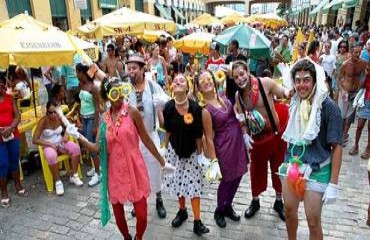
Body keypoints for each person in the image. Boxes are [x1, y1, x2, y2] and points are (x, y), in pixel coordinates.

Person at [78, 77, 166, 240]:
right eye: (115, 93)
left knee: (142, 214)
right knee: (118, 216)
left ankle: (139, 237)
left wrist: (161, 160)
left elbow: (146, 139)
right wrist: (79, 137)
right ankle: (127, 237)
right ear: (107, 96)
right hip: (115, 172)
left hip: (135, 167)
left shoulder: (132, 112)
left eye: (122, 92)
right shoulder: (104, 118)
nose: (120, 96)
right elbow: (97, 147)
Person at [280, 58, 342, 240]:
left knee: (313, 222)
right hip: (292, 166)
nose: (301, 85)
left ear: (315, 81)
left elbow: (337, 147)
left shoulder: (329, 107)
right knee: (289, 211)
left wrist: (334, 184)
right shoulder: (294, 102)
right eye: (297, 80)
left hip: (318, 169)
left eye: (306, 79)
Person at [232, 60, 290, 221]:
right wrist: (244, 134)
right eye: (236, 77)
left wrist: (290, 89)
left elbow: (283, 94)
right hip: (257, 139)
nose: (240, 79)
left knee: (279, 169)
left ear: (248, 71)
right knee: (256, 171)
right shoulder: (239, 95)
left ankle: (279, 202)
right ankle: (255, 201)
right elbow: (242, 118)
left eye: (242, 74)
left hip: (276, 136)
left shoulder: (266, 83)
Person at [196, 70, 248, 228]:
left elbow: (236, 74)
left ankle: (228, 206)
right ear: (199, 88)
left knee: (238, 175)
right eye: (202, 81)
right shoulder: (205, 110)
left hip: (237, 143)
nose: (207, 81)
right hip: (223, 147)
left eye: (208, 78)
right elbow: (209, 137)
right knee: (227, 180)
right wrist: (213, 161)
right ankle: (219, 210)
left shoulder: (223, 95)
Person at [162, 73, 210, 236]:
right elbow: (167, 130)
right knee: (177, 182)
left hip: (191, 155)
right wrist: (164, 148)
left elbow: (198, 135)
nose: (178, 81)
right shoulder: (168, 107)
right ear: (172, 87)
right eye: (175, 80)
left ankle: (197, 222)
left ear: (188, 87)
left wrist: (200, 155)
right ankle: (182, 211)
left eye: (182, 80)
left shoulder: (195, 108)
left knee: (193, 187)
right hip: (174, 153)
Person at [126, 54, 170, 218]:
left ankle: (159, 199)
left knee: (155, 169)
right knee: (135, 172)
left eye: (134, 68)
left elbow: (166, 102)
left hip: (150, 136)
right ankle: (137, 202)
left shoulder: (152, 86)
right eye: (129, 68)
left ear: (143, 69)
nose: (131, 72)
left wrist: (161, 106)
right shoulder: (125, 89)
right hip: (132, 139)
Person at [32, 100, 83, 196]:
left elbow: (69, 125)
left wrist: (66, 134)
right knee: (51, 155)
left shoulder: (60, 117)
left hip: (60, 142)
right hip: (48, 144)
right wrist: (50, 144)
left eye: (55, 112)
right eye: (51, 112)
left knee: (75, 148)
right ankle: (57, 182)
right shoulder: (43, 121)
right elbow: (34, 140)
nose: (53, 114)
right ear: (47, 112)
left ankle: (74, 175)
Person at [0, 73, 27, 208]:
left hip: (12, 134)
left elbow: (17, 115)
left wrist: (10, 127)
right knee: (3, 163)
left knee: (14, 159)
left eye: (1, 84)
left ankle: (18, 183)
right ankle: (3, 191)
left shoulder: (10, 98)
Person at [76, 63, 101, 187]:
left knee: (92, 146)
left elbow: (97, 108)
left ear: (82, 73)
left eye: (77, 72)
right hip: (84, 118)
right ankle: (94, 166)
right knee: (87, 143)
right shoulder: (81, 85)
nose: (76, 75)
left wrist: (96, 126)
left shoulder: (93, 87)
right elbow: (80, 103)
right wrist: (79, 118)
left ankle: (98, 172)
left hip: (91, 118)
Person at [339, 43, 368, 143]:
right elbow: (339, 78)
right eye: (356, 52)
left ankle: (344, 135)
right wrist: (342, 91)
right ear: (351, 53)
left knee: (349, 117)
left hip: (355, 93)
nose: (358, 55)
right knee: (342, 116)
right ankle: (341, 133)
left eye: (359, 52)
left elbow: (367, 73)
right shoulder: (345, 64)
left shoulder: (363, 63)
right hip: (345, 92)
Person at [225, 40, 248, 104]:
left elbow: (246, 72)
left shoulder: (242, 58)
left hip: (239, 87)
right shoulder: (228, 58)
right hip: (230, 87)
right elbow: (226, 72)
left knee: (240, 104)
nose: (229, 47)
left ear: (234, 46)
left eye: (230, 45)